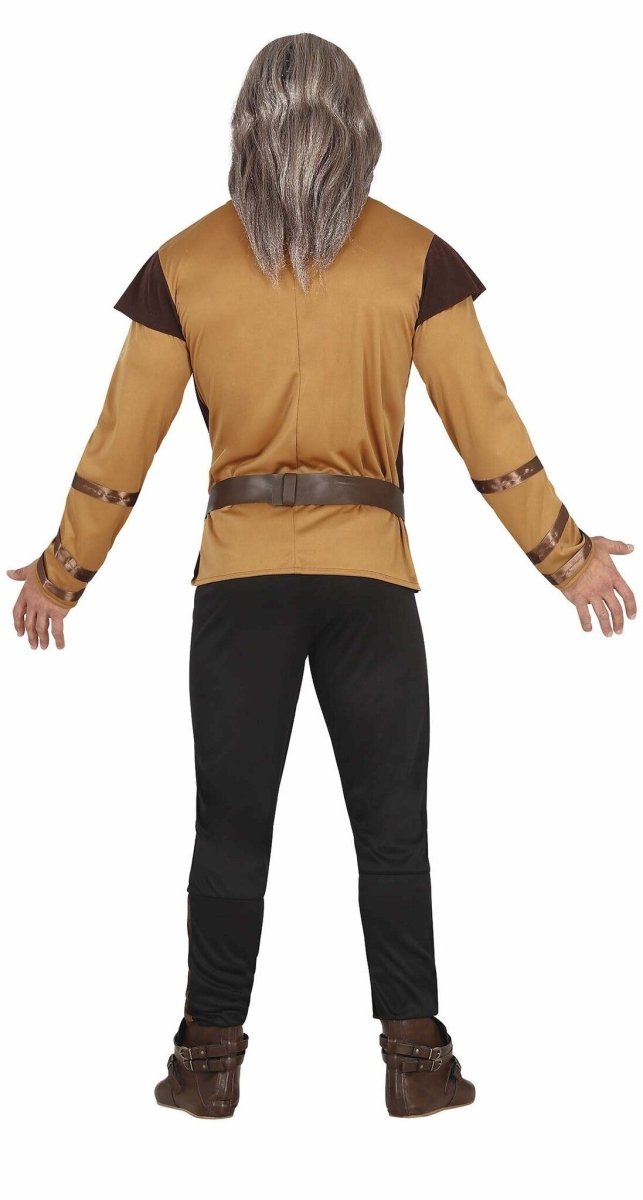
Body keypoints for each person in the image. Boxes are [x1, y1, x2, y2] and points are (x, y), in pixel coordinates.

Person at [8, 32, 637, 1121]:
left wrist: (65, 571)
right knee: (391, 826)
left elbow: (123, 440)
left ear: (246, 124)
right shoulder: (412, 256)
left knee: (230, 824)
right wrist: (565, 556)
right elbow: (486, 424)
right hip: (369, 584)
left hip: (239, 584)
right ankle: (417, 1063)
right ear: (358, 124)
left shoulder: (186, 263)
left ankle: (206, 1063)